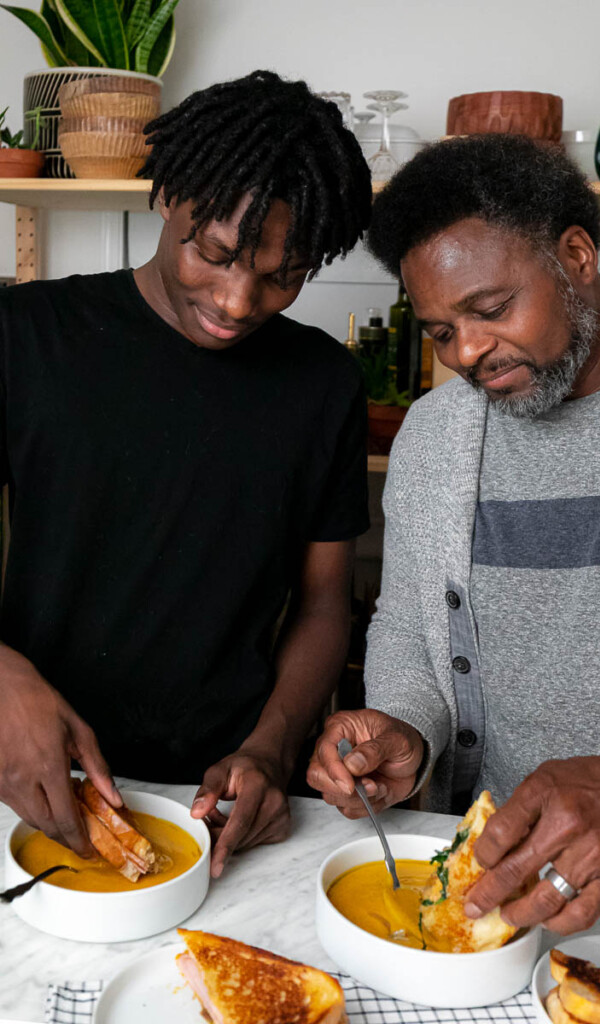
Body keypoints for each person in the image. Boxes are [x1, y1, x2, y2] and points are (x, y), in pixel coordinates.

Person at [308, 133, 600, 935]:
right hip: (491, 896)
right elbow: (404, 628)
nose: (466, 354)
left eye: (490, 309)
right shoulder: (433, 435)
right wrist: (403, 726)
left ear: (576, 255)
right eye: (438, 332)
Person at [0, 70, 372, 878]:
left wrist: (270, 752)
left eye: (283, 275)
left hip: (219, 800)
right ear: (167, 195)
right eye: (216, 253)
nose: (239, 302)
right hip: (28, 773)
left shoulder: (322, 383)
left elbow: (321, 602)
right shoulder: (25, 339)